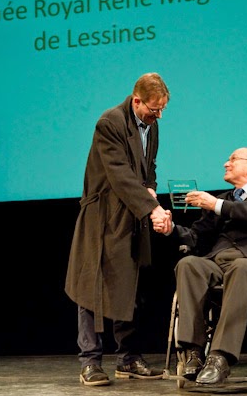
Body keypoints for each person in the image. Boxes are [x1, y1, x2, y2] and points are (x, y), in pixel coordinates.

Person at [65, 72, 173, 386]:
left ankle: (128, 357)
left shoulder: (152, 127)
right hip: (103, 214)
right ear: (137, 100)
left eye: (162, 110)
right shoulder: (109, 123)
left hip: (132, 211)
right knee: (91, 286)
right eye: (154, 109)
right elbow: (119, 174)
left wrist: (150, 190)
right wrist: (152, 206)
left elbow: (147, 168)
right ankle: (90, 361)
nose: (158, 116)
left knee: (132, 285)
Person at [152, 147, 247, 385]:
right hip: (218, 260)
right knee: (189, 264)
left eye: (233, 160)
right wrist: (171, 229)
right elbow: (196, 236)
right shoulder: (224, 198)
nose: (226, 164)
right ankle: (194, 352)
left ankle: (220, 357)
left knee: (241, 267)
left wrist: (216, 204)